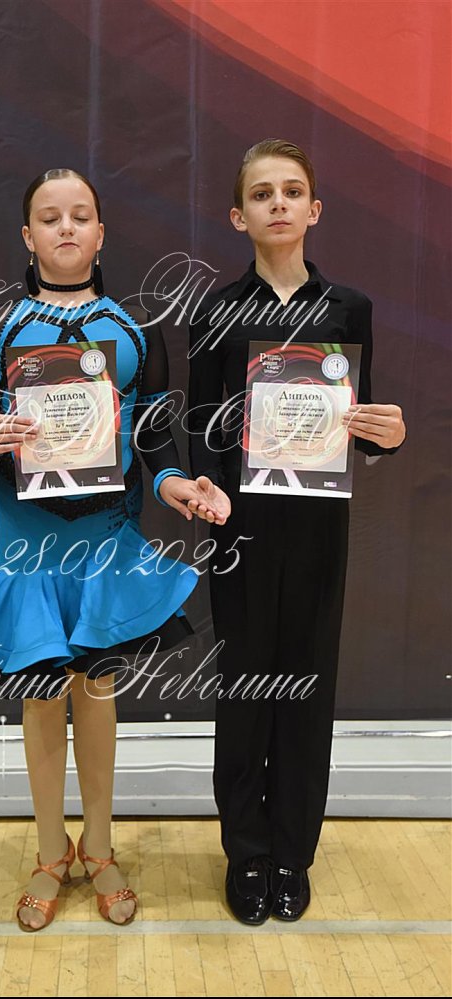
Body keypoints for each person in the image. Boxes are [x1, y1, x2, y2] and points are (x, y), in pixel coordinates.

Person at [0, 168, 227, 932]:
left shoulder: (134, 328)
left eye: (80, 215)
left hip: (104, 539)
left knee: (97, 693)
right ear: (28, 236)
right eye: (50, 217)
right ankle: (50, 849)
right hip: (29, 544)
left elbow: (155, 437)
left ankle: (100, 844)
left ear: (100, 233)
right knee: (39, 697)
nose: (66, 227)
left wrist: (178, 486)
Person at [186, 139, 406, 924]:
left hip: (317, 527)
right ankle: (246, 851)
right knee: (247, 688)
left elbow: (361, 419)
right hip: (240, 528)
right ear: (237, 215)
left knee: (307, 687)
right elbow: (201, 422)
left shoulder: (350, 308)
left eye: (291, 191)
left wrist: (388, 436)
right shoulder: (215, 311)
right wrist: (205, 483)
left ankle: (292, 853)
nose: (277, 203)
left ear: (314, 210)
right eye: (261, 193)